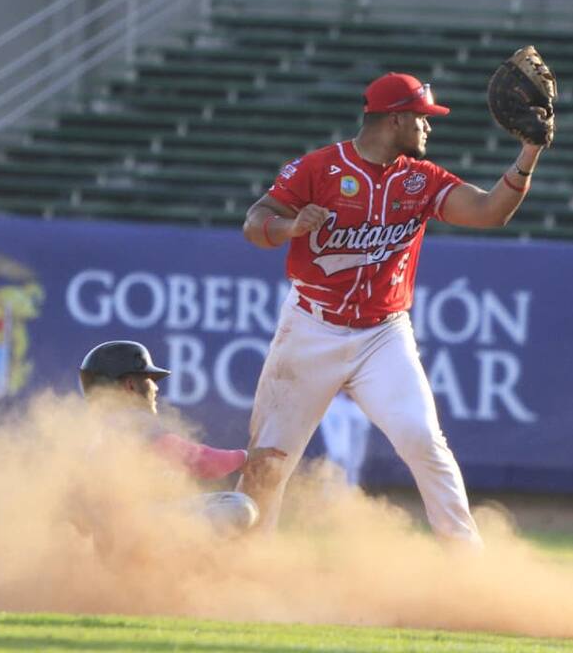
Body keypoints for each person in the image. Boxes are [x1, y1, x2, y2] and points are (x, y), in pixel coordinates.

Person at [236, 72, 548, 546]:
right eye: (423, 118)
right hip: (311, 325)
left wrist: (529, 153)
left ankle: (467, 562)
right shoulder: (319, 168)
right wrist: (290, 227)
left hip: (383, 334)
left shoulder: (421, 179)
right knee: (269, 459)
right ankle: (243, 561)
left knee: (424, 441)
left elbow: (489, 211)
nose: (429, 127)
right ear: (396, 119)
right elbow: (254, 221)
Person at [77, 340, 286, 536]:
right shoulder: (134, 420)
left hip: (110, 537)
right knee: (240, 506)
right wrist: (246, 458)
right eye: (149, 379)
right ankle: (175, 557)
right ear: (130, 385)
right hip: (138, 532)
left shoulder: (96, 431)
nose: (156, 387)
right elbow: (199, 461)